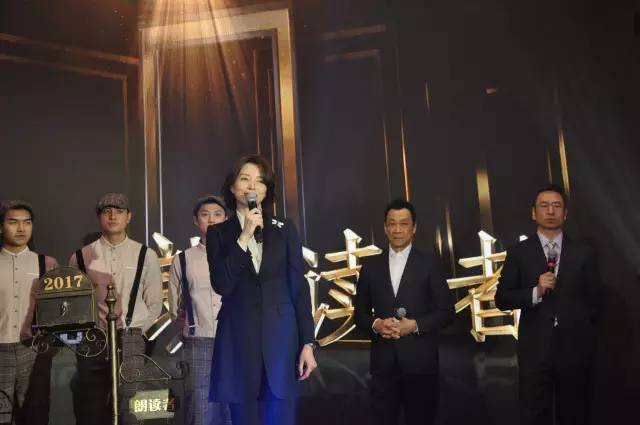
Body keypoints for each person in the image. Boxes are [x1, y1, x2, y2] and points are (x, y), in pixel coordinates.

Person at [206, 155, 317, 425]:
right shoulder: (218, 233)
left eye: (259, 181)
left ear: (267, 190)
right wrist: (244, 236)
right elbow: (222, 284)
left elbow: (298, 287)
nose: (252, 186)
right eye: (245, 179)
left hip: (282, 344)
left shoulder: (284, 229)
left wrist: (307, 342)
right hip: (238, 343)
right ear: (232, 187)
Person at [495, 184, 603, 425]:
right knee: (534, 416)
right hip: (534, 351)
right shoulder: (518, 252)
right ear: (534, 213)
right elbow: (502, 299)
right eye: (544, 206)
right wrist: (535, 292)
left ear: (565, 213)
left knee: (575, 415)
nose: (551, 211)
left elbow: (595, 302)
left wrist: (582, 335)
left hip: (574, 351)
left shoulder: (584, 253)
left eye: (557, 206)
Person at [353, 199, 454, 425]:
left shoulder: (430, 263)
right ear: (385, 227)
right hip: (383, 367)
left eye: (404, 223)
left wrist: (415, 325)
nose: (397, 229)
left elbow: (447, 312)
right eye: (392, 223)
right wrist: (377, 325)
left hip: (421, 365)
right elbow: (359, 315)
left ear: (414, 227)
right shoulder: (370, 266)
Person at [69, 193, 163, 425]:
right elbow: (75, 305)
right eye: (107, 211)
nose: (113, 216)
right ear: (99, 217)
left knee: (132, 407)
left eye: (119, 211)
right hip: (94, 340)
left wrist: (138, 333)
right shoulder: (80, 257)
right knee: (92, 408)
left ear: (128, 217)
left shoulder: (146, 255)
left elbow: (154, 303)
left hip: (132, 337)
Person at [168, 195, 231, 425]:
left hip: (234, 340)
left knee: (232, 409)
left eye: (217, 214)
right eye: (205, 215)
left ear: (226, 219)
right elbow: (175, 306)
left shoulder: (238, 255)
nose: (211, 220)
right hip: (198, 341)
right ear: (196, 220)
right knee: (199, 409)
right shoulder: (183, 259)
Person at [0, 200, 58, 425]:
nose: (21, 228)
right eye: (13, 222)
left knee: (35, 413)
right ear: (2, 226)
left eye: (27, 222)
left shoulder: (47, 264)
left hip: (34, 348)